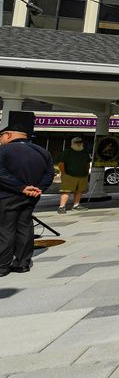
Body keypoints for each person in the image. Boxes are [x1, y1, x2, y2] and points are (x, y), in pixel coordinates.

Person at [0, 112, 55, 276]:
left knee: (5, 229)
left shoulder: (3, 151)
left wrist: (21, 187)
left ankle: (2, 265)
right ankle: (23, 262)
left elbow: (0, 173)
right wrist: (38, 189)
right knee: (25, 226)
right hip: (31, 197)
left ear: (8, 135)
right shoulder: (42, 151)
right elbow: (49, 174)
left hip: (7, 196)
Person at [55, 137, 91, 214]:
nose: (78, 143)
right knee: (66, 191)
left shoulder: (84, 152)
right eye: (76, 142)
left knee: (79, 190)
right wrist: (64, 173)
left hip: (83, 175)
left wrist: (87, 172)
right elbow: (61, 163)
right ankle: (62, 207)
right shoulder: (67, 152)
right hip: (69, 175)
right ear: (72, 143)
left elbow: (88, 163)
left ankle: (76, 205)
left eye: (80, 142)